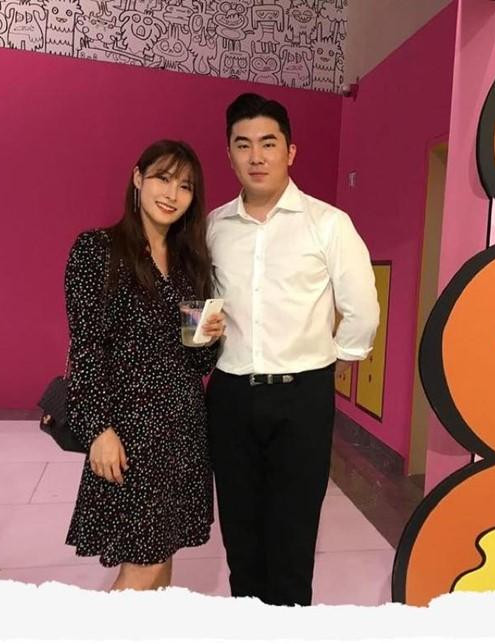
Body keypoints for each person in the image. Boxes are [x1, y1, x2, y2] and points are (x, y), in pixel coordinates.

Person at [206, 93, 379, 606]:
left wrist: (331, 362)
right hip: (230, 395)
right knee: (240, 535)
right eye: (243, 145)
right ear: (229, 154)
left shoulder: (327, 223)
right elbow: (198, 299)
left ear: (290, 151)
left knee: (293, 535)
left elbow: (362, 308)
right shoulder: (213, 227)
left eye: (268, 143)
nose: (256, 156)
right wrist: (197, 338)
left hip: (302, 397)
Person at [64, 140, 225, 591]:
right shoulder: (97, 250)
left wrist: (209, 336)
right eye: (162, 178)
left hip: (183, 429)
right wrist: (98, 430)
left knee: (163, 554)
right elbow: (86, 348)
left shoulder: (190, 264)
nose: (172, 194)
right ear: (138, 178)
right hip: (130, 430)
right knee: (143, 565)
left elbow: (197, 362)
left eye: (185, 186)